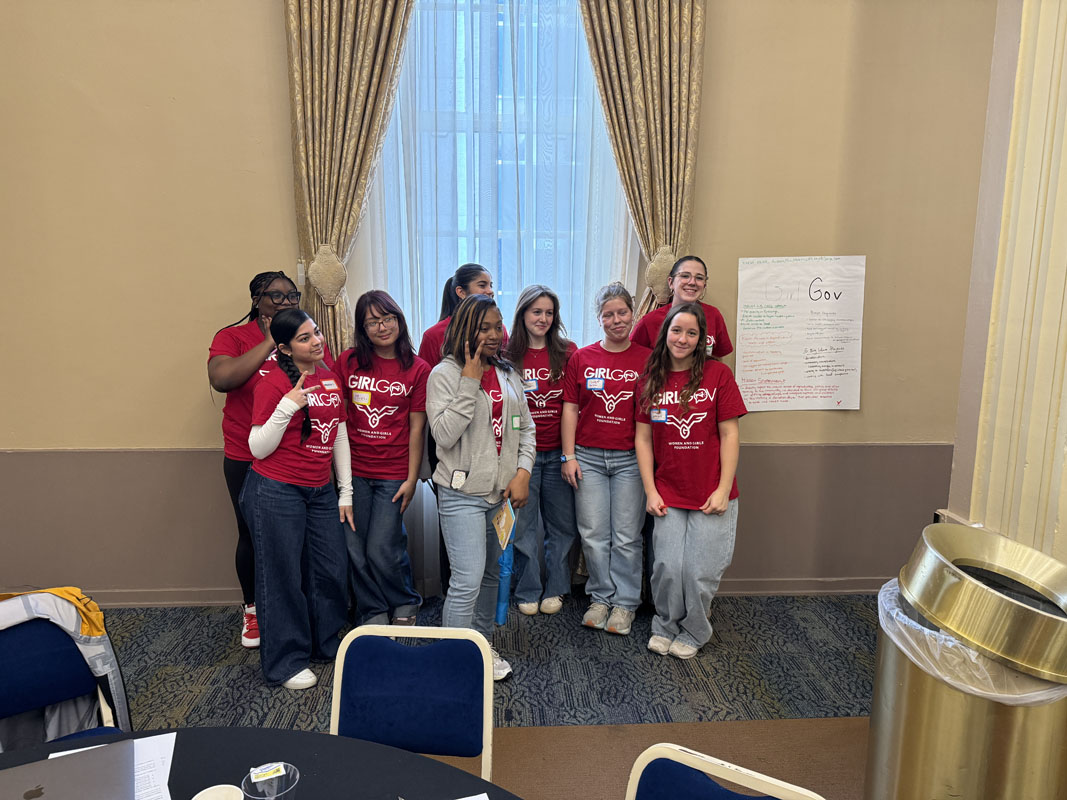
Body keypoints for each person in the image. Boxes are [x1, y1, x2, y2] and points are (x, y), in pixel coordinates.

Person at [240, 308, 352, 690]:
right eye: (305, 338)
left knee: (330, 569)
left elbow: (337, 434)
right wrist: (289, 406)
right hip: (276, 491)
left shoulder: (329, 376)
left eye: (316, 332)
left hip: (320, 491)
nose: (317, 340)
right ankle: (286, 661)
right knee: (281, 577)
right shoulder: (271, 382)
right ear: (286, 349)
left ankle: (324, 643)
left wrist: (346, 491)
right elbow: (257, 446)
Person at [426, 294, 535, 680]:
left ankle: (480, 644)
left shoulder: (508, 373)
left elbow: (526, 429)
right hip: (461, 496)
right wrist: (469, 384)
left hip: (501, 496)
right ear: (464, 329)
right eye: (483, 327)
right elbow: (443, 435)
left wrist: (522, 472)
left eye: (497, 326)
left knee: (491, 574)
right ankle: (453, 658)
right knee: (468, 578)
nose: (493, 335)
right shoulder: (444, 374)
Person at [634, 303, 746, 659]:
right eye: (676, 330)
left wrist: (723, 489)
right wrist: (650, 490)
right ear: (665, 333)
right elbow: (643, 439)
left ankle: (695, 629)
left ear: (701, 340)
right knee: (667, 567)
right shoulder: (651, 377)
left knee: (699, 570)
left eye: (692, 333)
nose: (682, 339)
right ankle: (665, 624)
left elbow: (730, 435)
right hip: (667, 489)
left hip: (711, 490)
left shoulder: (717, 376)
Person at [207, 271, 305, 649]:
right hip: (246, 456)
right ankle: (252, 610)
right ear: (256, 300)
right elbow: (222, 378)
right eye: (275, 296)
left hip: (297, 456)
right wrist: (269, 341)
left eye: (291, 295)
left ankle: (295, 607)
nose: (285, 302)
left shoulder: (305, 332)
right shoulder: (232, 337)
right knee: (251, 534)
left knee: (298, 537)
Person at [561, 282, 651, 635]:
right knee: (594, 534)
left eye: (622, 313)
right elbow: (570, 409)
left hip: (630, 459)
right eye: (608, 314)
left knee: (627, 536)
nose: (617, 320)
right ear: (599, 319)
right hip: (588, 458)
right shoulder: (582, 358)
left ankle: (626, 603)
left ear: (632, 314)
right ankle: (600, 596)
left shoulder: (647, 358)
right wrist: (568, 455)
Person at [336, 291, 427, 627]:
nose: (382, 327)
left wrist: (411, 479)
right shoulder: (347, 362)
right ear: (363, 328)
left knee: (381, 547)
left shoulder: (418, 369)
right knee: (354, 548)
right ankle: (372, 608)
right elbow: (337, 417)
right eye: (372, 321)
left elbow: (417, 429)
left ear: (399, 320)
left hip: (393, 472)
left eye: (387, 318)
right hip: (355, 471)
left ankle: (404, 599)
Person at [502, 285, 579, 616]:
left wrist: (568, 454)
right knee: (523, 529)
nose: (543, 319)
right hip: (522, 459)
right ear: (523, 314)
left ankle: (557, 588)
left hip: (559, 455)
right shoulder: (506, 356)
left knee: (563, 528)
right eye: (537, 312)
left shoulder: (568, 352)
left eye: (549, 313)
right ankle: (529, 588)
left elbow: (573, 407)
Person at [630, 255, 733, 358]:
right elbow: (632, 356)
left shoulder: (713, 315)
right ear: (671, 282)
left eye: (699, 278)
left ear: (704, 284)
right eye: (685, 276)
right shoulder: (649, 321)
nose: (692, 282)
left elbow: (718, 357)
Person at [418, 263, 506, 367]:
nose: (490, 291)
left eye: (490, 285)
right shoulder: (434, 335)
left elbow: (506, 367)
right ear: (461, 292)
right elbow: (427, 378)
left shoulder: (498, 329)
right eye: (482, 285)